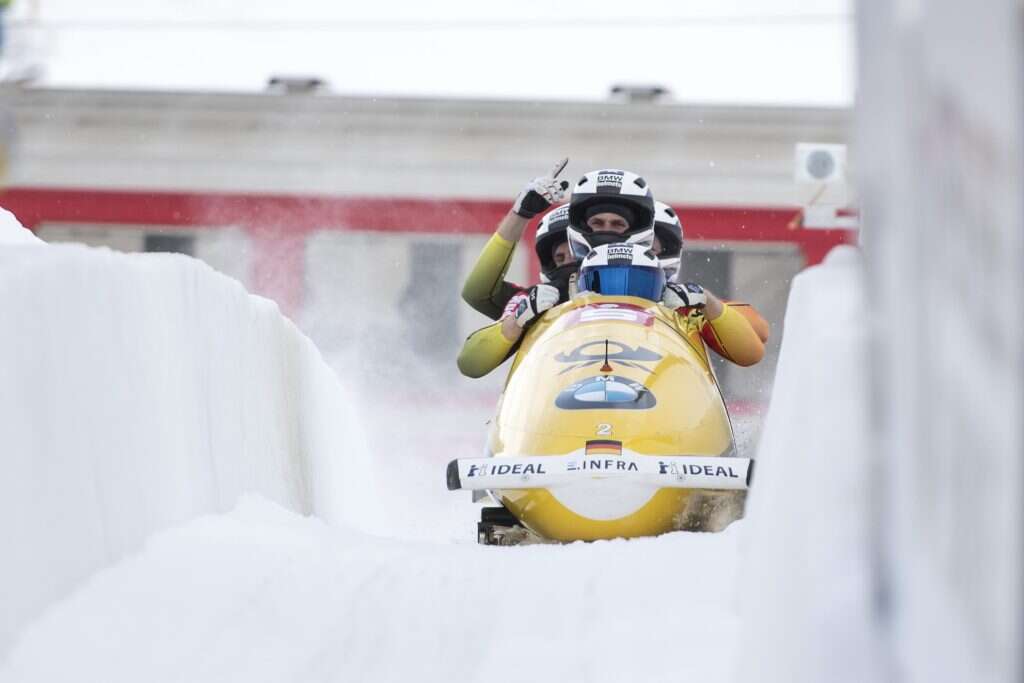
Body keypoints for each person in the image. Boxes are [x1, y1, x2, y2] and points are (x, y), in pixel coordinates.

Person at [461, 158, 570, 320]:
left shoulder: (619, 291)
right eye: (560, 258)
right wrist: (520, 214)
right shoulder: (533, 303)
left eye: (575, 254)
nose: (569, 263)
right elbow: (477, 293)